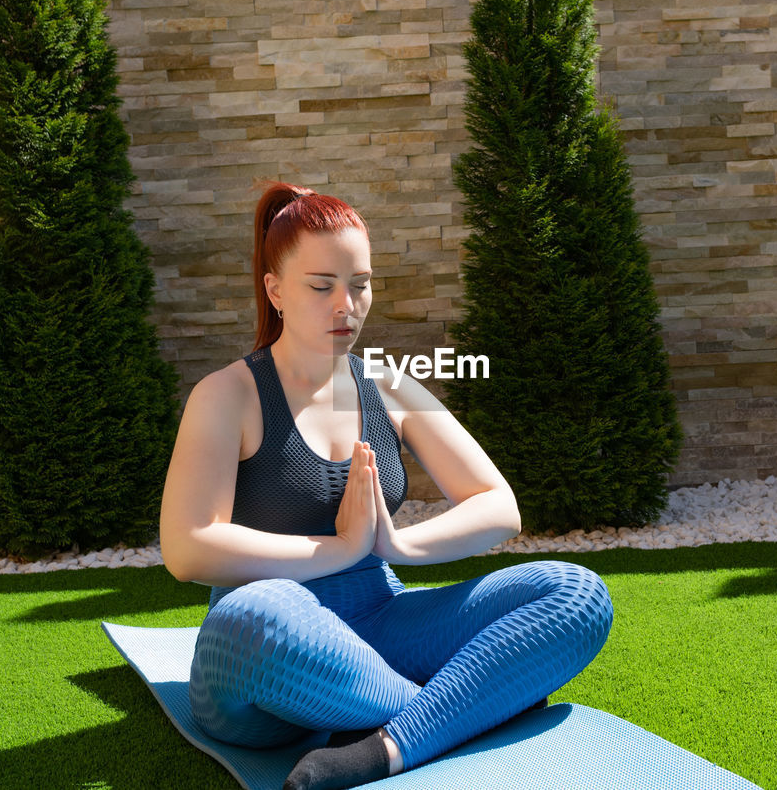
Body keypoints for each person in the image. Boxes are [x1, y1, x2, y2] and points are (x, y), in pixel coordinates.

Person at [159, 182, 614, 790]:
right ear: (275, 290)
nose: (346, 305)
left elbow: (498, 505)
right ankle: (461, 707)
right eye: (322, 286)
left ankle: (386, 746)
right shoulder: (228, 396)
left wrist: (395, 547)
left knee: (574, 594)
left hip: (382, 620)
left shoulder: (389, 384)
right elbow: (188, 548)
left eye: (361, 283)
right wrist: (340, 549)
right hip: (267, 660)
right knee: (255, 612)